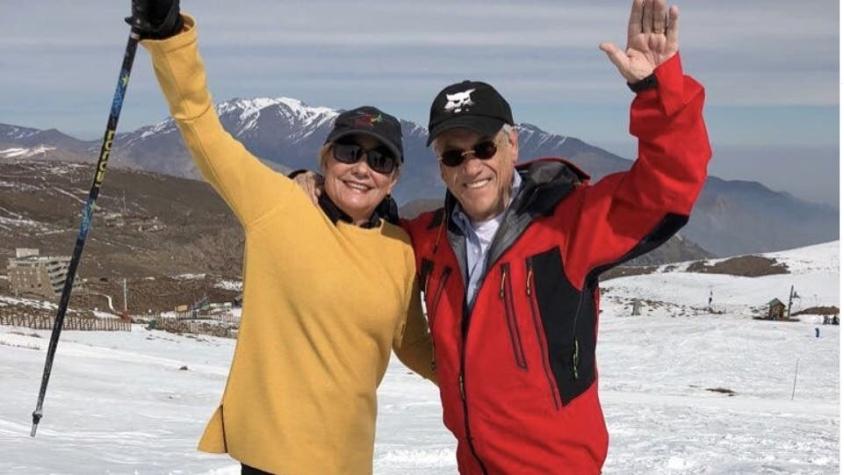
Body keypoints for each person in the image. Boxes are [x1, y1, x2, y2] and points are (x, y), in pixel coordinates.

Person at [294, 0, 710, 472]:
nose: (472, 167)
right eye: (454, 156)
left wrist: (657, 92)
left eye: (485, 148)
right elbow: (365, 220)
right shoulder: (427, 239)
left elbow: (670, 187)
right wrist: (312, 184)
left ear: (513, 145)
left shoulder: (568, 223)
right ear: (440, 166)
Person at [126, 2, 436, 474]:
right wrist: (170, 38)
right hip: (273, 457)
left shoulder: (400, 250)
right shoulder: (278, 206)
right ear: (326, 157)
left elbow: (412, 343)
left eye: (380, 161)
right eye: (350, 152)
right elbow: (202, 129)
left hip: (349, 462)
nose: (362, 168)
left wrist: (483, 385)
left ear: (393, 179)